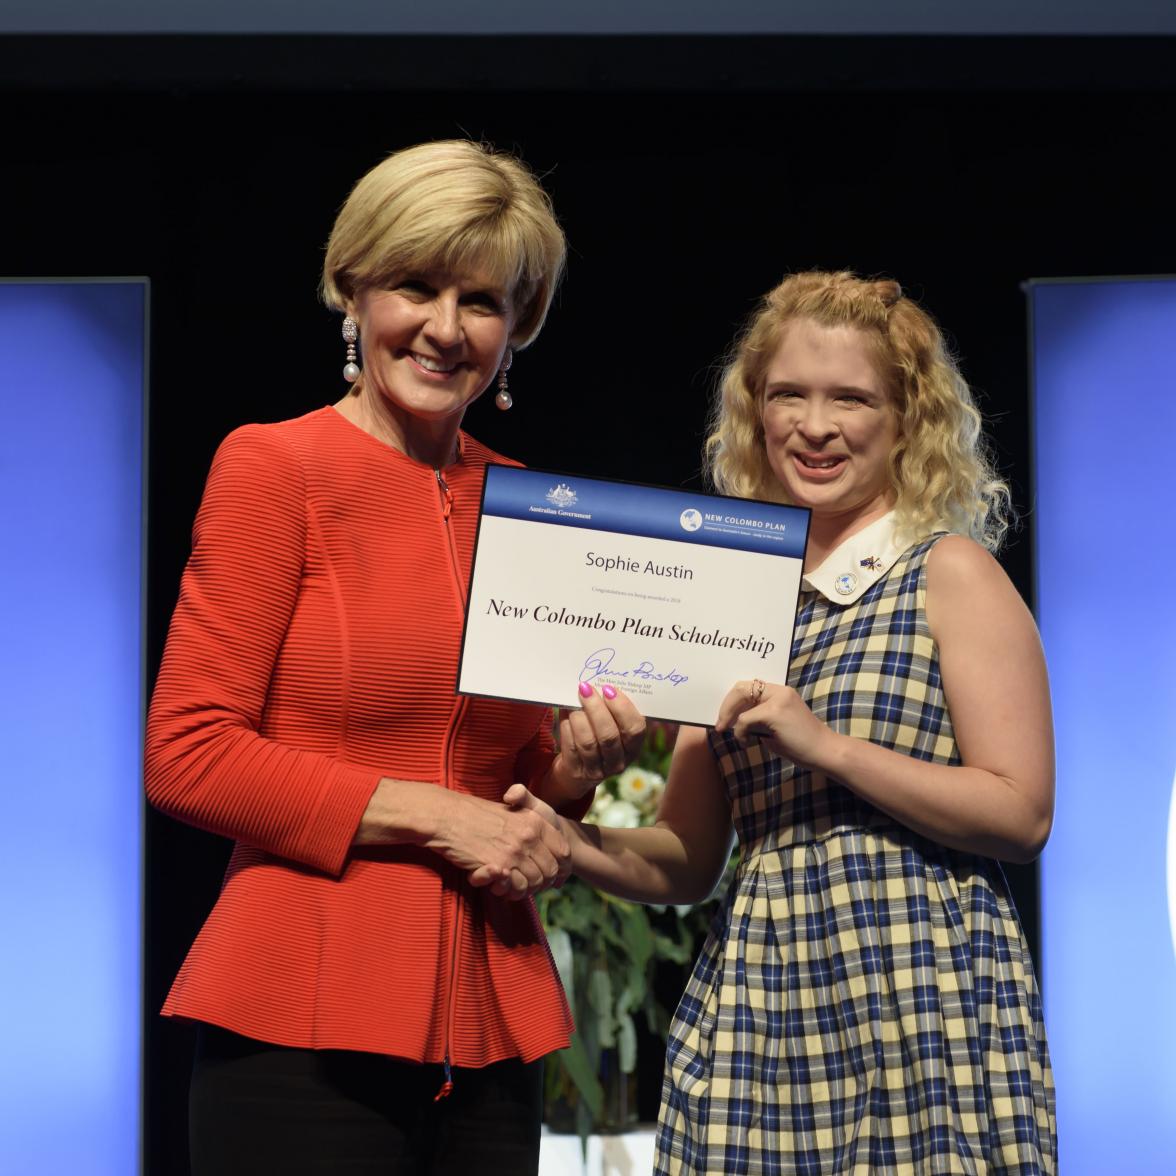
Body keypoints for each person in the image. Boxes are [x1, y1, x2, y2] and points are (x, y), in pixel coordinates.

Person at [145, 139, 645, 1176]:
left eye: (482, 301)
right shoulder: (273, 467)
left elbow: (510, 786)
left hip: (492, 1020)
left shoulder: (532, 506)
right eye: (415, 286)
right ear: (351, 289)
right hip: (299, 1020)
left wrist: (576, 775)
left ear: (521, 326)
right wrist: (436, 813)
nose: (445, 329)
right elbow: (188, 753)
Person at [511, 271, 1057, 1173]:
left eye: (851, 397)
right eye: (788, 395)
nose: (814, 425)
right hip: (762, 1003)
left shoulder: (948, 572)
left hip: (919, 992)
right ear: (754, 411)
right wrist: (569, 843)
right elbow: (688, 858)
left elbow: (1021, 813)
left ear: (905, 419)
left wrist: (829, 748)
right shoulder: (735, 596)